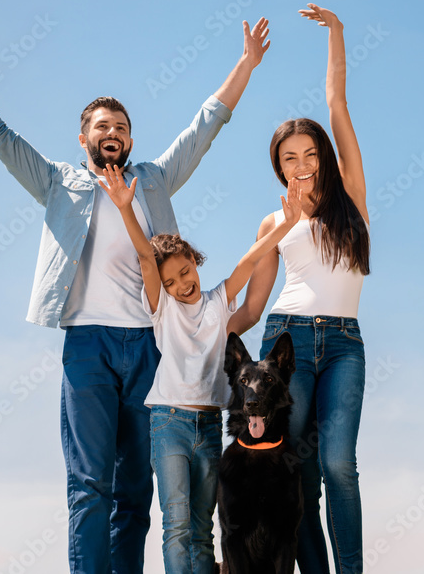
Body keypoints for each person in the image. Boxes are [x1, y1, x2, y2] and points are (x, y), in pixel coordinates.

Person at [0, 15, 270, 574]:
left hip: (151, 346)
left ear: (129, 137)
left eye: (120, 125)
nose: (112, 132)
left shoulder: (153, 179)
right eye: (101, 125)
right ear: (84, 139)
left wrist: (245, 64)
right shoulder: (56, 181)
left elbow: (205, 126)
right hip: (88, 347)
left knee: (135, 491)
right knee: (90, 484)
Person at [98, 163, 302, 574]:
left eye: (185, 271)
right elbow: (144, 255)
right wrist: (124, 208)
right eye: (171, 280)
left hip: (209, 427)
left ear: (195, 260)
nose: (181, 284)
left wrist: (287, 225)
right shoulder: (162, 309)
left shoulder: (218, 302)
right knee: (174, 526)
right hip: (168, 423)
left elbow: (250, 258)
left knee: (203, 530)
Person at [229, 4, 371, 574]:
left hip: (343, 346)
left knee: (338, 463)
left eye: (311, 154)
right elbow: (252, 305)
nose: (303, 164)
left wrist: (337, 33)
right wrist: (194, 325)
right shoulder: (272, 223)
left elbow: (336, 106)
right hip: (285, 340)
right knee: (298, 470)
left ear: (326, 160)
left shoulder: (351, 201)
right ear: (279, 168)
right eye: (290, 158)